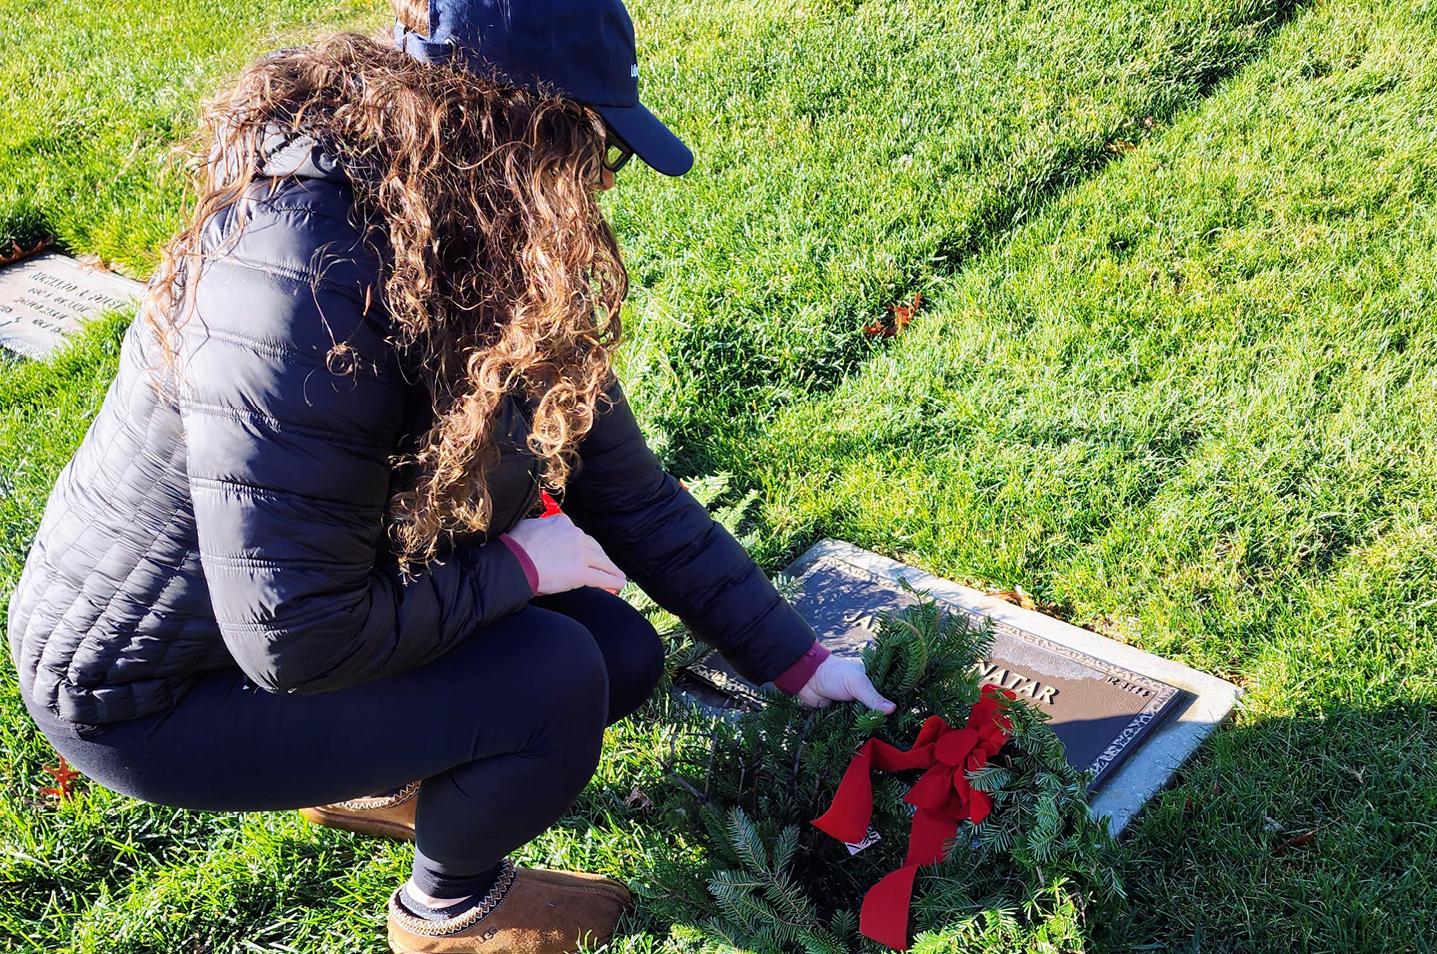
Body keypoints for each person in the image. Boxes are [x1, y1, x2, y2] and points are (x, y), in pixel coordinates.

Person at [3, 1, 895, 951]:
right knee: (552, 677)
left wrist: (795, 661)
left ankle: (389, 776)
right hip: (158, 689)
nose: (595, 183)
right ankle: (449, 914)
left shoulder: (460, 234)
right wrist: (521, 568)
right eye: (590, 145)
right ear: (507, 127)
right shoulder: (305, 280)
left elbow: (626, 489)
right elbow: (293, 641)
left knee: (619, 656)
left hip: (291, 616)